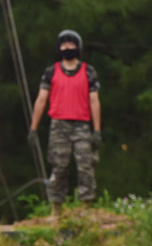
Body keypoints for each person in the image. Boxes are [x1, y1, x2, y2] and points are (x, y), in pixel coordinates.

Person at [28, 29, 101, 216]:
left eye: (71, 44)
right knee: (59, 167)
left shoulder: (88, 71)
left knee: (85, 166)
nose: (67, 47)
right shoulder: (51, 71)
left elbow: (94, 101)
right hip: (59, 125)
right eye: (63, 44)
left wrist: (97, 130)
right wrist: (33, 128)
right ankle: (56, 210)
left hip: (82, 125)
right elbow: (41, 99)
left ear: (78, 47)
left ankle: (86, 208)